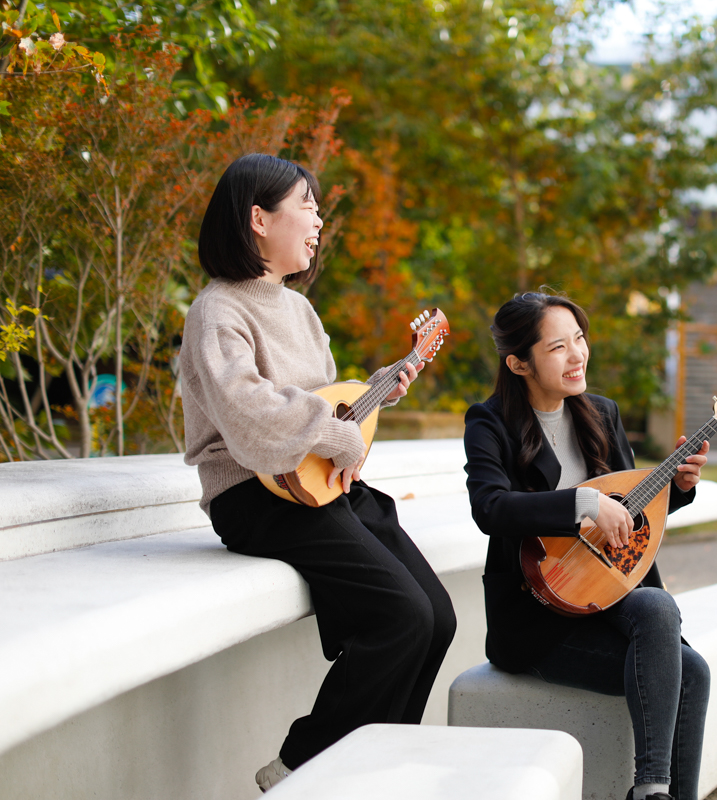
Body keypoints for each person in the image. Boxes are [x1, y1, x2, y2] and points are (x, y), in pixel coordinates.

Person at [178, 153, 456, 792]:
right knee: (401, 617)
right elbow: (249, 413)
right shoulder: (216, 312)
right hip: (252, 494)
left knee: (437, 616)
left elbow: (329, 405)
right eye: (306, 205)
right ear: (258, 219)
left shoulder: (300, 311)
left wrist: (372, 397)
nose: (318, 221)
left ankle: (376, 769)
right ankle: (300, 766)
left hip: (314, 488)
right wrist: (336, 434)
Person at [463, 291, 711, 800]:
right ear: (519, 363)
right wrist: (583, 503)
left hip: (606, 596)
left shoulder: (601, 413)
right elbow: (490, 508)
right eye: (558, 347)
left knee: (688, 659)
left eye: (579, 339)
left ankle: (652, 790)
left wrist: (679, 488)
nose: (577, 355)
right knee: (683, 662)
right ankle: (653, 791)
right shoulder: (489, 422)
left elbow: (629, 516)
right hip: (538, 618)